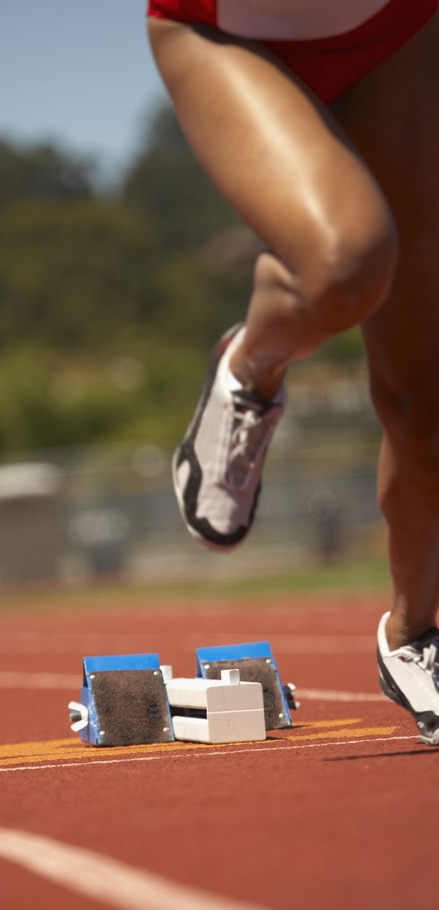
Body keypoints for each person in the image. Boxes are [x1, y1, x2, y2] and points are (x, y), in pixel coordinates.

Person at [146, 0, 439, 746]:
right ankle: (251, 363)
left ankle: (414, 634)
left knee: (426, 399)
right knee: (345, 264)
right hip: (224, 27)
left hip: (396, 28)